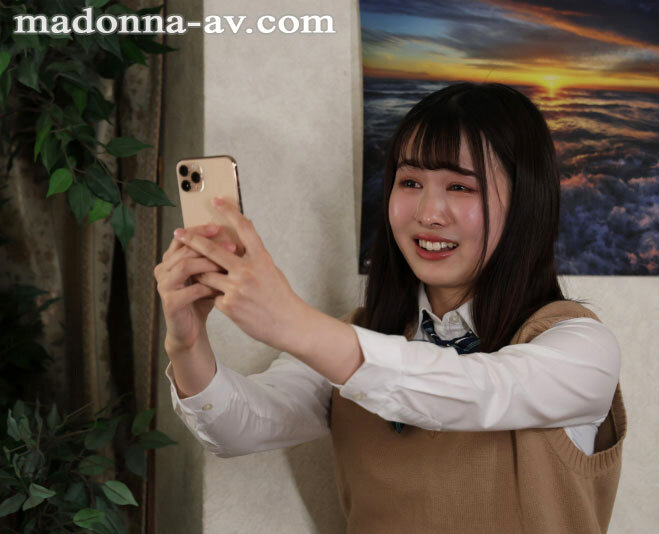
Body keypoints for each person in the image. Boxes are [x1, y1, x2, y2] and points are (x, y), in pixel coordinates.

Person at [154, 82, 627, 533]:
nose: (427, 213)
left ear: (525, 202)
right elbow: (237, 429)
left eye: (461, 187)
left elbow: (476, 390)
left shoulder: (581, 349)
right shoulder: (356, 335)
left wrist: (290, 321)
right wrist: (187, 343)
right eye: (410, 182)